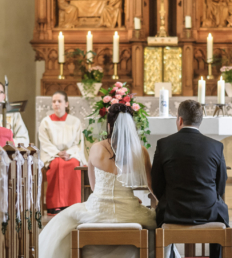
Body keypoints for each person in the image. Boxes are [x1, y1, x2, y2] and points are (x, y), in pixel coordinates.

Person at [39, 104, 161, 258]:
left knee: (64, 221)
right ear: (130, 125)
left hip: (98, 210)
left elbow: (94, 186)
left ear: (109, 125)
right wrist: (158, 203)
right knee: (155, 225)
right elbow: (152, 186)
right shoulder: (141, 151)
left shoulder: (96, 148)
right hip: (130, 211)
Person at [151, 100, 229, 258]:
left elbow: (156, 184)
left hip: (173, 211)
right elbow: (220, 185)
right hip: (208, 211)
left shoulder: (164, 144)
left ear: (179, 120)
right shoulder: (216, 146)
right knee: (221, 209)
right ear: (200, 121)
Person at [39, 91, 87, 215]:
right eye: (54, 101)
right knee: (56, 165)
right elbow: (44, 142)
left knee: (73, 165)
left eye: (59, 101)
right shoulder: (46, 122)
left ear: (66, 103)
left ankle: (73, 204)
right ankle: (54, 205)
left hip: (70, 154)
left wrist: (69, 153)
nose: (56, 104)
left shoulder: (74, 121)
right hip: (53, 154)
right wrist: (57, 153)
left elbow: (78, 143)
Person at [0, 82, 30, 146]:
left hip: (8, 153)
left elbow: (24, 138)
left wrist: (8, 143)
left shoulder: (13, 113)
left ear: (4, 96)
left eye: (0, 92)